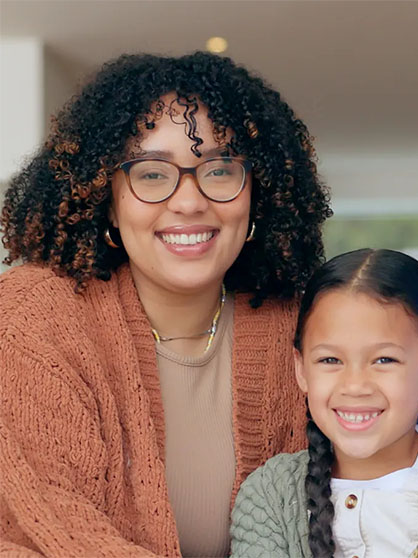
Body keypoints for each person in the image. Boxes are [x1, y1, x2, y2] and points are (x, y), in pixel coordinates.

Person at [0, 52, 330, 556]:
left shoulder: (304, 327)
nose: (190, 201)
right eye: (151, 174)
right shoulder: (33, 316)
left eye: (219, 169)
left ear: (257, 193)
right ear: (105, 197)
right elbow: (57, 529)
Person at [229, 248, 418, 558]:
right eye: (330, 359)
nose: (354, 385)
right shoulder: (271, 494)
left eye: (384, 359)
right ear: (301, 370)